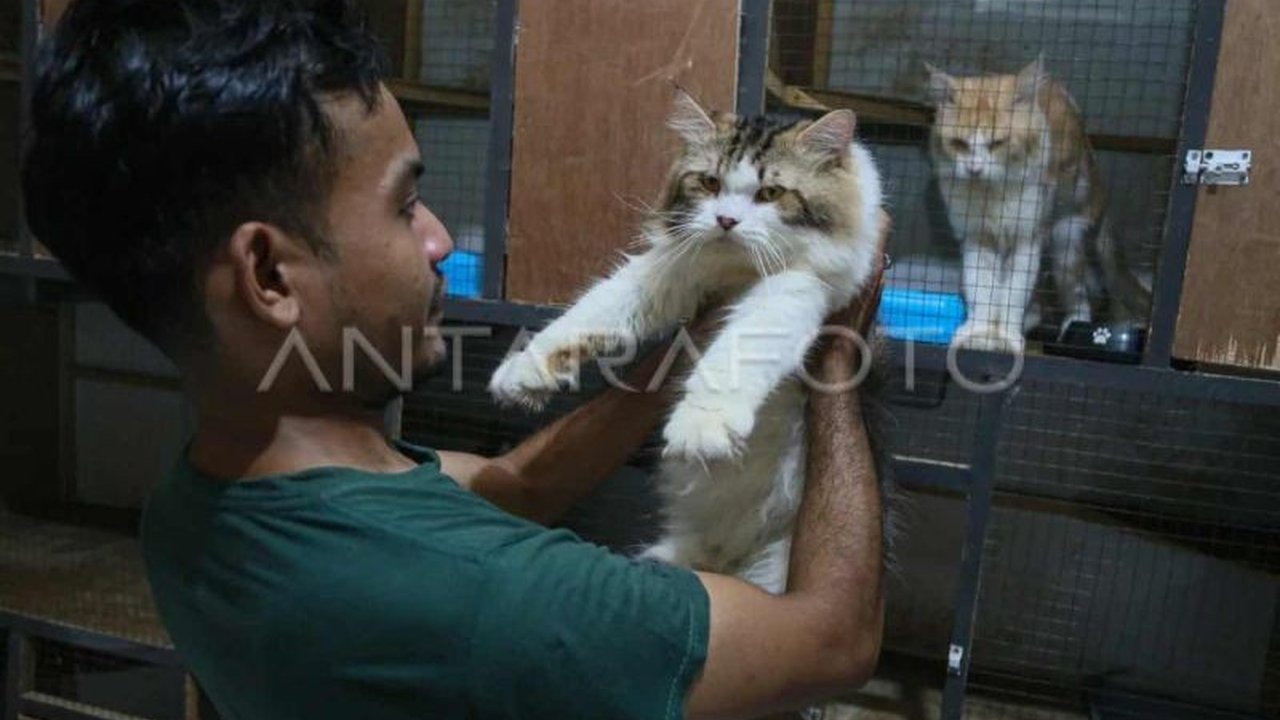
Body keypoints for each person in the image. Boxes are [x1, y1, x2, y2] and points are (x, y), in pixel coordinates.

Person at [22, 1, 886, 718]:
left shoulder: (191, 510)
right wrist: (839, 350)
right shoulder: (488, 595)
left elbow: (520, 485)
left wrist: (683, 349)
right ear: (267, 273)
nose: (439, 237)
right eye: (405, 205)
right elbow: (832, 642)